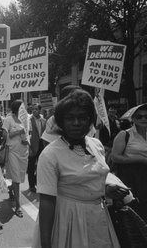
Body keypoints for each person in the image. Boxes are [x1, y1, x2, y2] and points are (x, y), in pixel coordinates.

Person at [33, 89, 128, 248]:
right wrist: (45, 243)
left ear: (90, 120)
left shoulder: (96, 145)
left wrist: (105, 189)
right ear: (61, 122)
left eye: (82, 118)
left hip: (98, 217)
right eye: (70, 118)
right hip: (68, 221)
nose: (76, 123)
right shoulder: (50, 154)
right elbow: (47, 202)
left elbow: (92, 179)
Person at [111, 103, 147, 222]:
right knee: (135, 208)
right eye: (139, 116)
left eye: (146, 116)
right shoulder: (125, 134)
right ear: (133, 119)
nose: (143, 119)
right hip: (131, 176)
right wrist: (141, 159)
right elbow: (115, 157)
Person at [2, 100, 29, 218]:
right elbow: (4, 136)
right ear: (16, 109)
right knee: (17, 179)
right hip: (12, 152)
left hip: (24, 152)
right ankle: (18, 206)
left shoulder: (26, 119)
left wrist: (26, 140)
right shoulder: (8, 120)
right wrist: (18, 132)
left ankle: (11, 188)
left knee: (18, 178)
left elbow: (29, 134)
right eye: (21, 107)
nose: (24, 109)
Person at [28, 103, 46, 193]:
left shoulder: (43, 120)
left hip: (42, 145)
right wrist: (29, 147)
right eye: (33, 109)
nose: (34, 110)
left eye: (36, 109)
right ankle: (31, 185)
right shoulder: (29, 120)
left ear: (39, 110)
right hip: (32, 145)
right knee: (31, 166)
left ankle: (38, 182)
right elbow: (27, 134)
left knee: (41, 166)